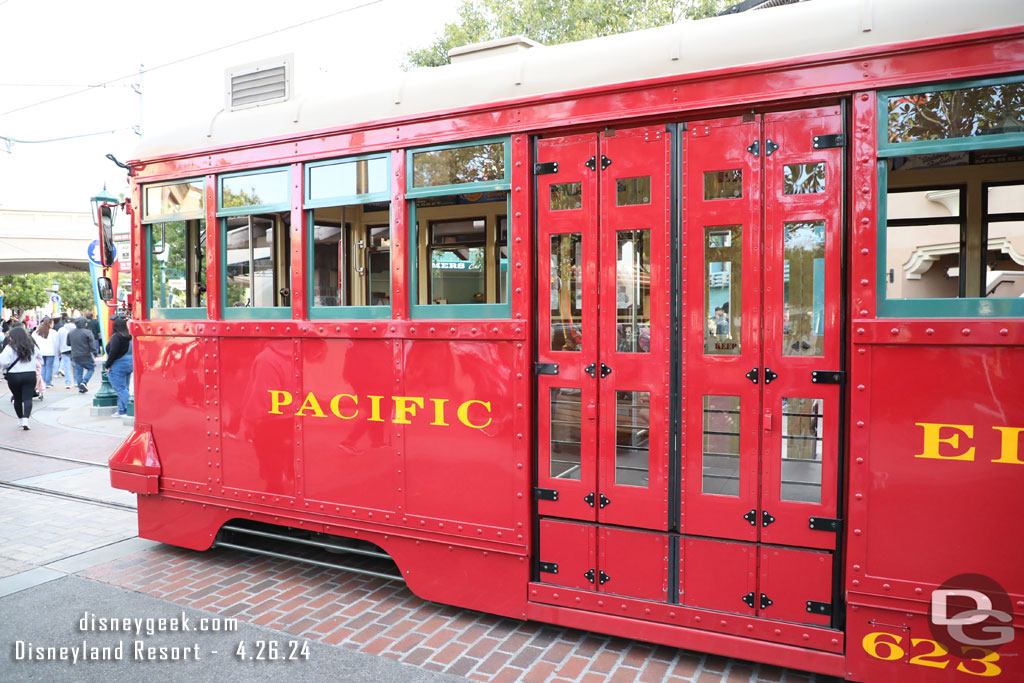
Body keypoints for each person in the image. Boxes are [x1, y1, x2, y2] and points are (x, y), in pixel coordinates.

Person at [1, 326, 42, 430]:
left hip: (14, 375)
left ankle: (20, 419)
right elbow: (40, 359)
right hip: (29, 374)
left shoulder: (10, 347)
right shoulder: (32, 346)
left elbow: (3, 361)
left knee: (17, 398)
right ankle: (26, 420)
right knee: (28, 398)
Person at [104, 317, 133, 416]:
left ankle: (132, 408)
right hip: (129, 364)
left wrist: (108, 364)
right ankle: (122, 410)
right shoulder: (129, 336)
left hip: (118, 365)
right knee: (125, 388)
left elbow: (113, 352)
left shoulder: (116, 337)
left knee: (120, 389)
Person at [68, 317, 98, 393]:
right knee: (91, 368)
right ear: (84, 324)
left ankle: (80, 388)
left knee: (78, 372)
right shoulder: (87, 332)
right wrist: (95, 354)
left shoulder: (71, 333)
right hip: (86, 354)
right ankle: (84, 382)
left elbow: (68, 343)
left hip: (75, 355)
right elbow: (92, 345)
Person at [32, 317, 56, 388]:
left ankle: (41, 382)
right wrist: (56, 351)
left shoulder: (36, 332)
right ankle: (48, 383)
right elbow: (56, 343)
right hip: (50, 352)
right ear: (50, 324)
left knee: (41, 367)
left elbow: (33, 342)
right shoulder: (53, 332)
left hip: (40, 352)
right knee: (49, 367)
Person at [56, 317, 74, 388]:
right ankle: (76, 382)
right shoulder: (75, 329)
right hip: (74, 349)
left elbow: (58, 341)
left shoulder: (61, 330)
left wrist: (58, 350)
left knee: (67, 366)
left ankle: (68, 383)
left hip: (64, 348)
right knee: (75, 366)